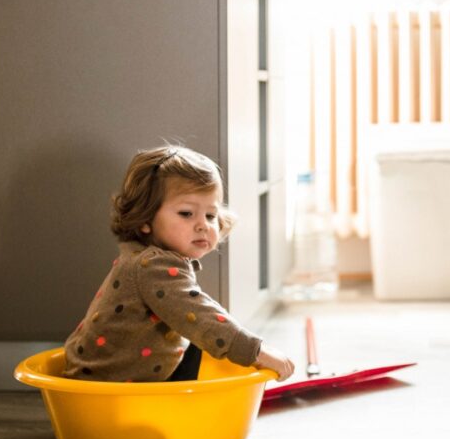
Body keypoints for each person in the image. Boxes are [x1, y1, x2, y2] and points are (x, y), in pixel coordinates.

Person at [65, 145, 295, 383]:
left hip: (111, 373)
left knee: (202, 335)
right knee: (203, 325)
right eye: (186, 213)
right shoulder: (152, 266)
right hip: (109, 387)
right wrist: (256, 351)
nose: (203, 225)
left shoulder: (144, 257)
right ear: (145, 219)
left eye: (210, 216)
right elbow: (199, 314)